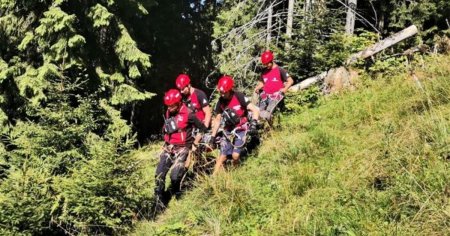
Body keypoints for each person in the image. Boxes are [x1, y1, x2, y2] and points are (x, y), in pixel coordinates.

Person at [154, 89, 208, 209]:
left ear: (178, 103)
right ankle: (159, 199)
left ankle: (177, 191)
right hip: (169, 147)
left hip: (183, 148)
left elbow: (203, 128)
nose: (169, 108)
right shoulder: (169, 112)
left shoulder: (189, 113)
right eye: (168, 106)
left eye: (172, 106)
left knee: (174, 176)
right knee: (159, 173)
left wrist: (195, 143)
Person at [210, 75, 260, 174]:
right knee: (221, 158)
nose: (222, 94)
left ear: (230, 89)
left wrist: (253, 123)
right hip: (228, 130)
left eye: (224, 92)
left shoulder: (239, 96)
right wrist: (212, 136)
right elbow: (217, 120)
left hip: (241, 128)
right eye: (220, 92)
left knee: (235, 156)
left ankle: (235, 171)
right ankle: (213, 179)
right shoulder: (220, 102)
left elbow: (255, 110)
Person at [253, 50, 294, 121]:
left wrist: (285, 89)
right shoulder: (264, 71)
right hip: (265, 96)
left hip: (276, 96)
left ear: (271, 61)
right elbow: (262, 83)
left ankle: (273, 127)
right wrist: (258, 87)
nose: (266, 65)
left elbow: (290, 81)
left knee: (269, 112)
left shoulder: (280, 70)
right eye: (264, 64)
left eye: (267, 64)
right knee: (258, 111)